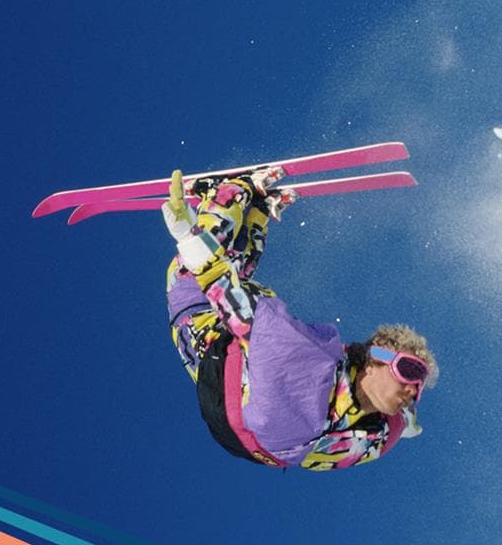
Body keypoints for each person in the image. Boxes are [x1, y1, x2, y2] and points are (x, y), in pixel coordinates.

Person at [162, 166, 438, 471]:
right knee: (203, 275)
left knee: (212, 276)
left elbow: (405, 420)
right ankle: (232, 195)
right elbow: (235, 303)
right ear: (374, 360)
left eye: (420, 386)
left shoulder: (380, 432)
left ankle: (245, 204)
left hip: (224, 379)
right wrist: (189, 237)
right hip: (220, 342)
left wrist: (188, 238)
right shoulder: (306, 365)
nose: (414, 391)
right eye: (409, 371)